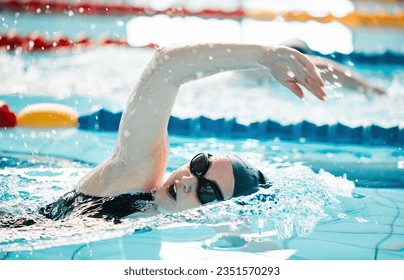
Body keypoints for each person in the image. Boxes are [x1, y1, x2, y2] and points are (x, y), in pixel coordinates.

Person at [5, 43, 328, 227]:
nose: (189, 181)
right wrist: (263, 56)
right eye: (199, 166)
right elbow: (166, 66)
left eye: (209, 193)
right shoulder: (131, 179)